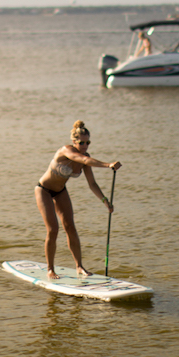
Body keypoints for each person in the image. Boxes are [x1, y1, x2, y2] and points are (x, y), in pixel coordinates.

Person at [35, 120, 121, 279]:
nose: (85, 146)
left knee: (70, 227)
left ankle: (79, 266)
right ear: (74, 142)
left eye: (88, 142)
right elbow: (85, 160)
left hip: (60, 191)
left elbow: (92, 184)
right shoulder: (66, 151)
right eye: (82, 143)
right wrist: (108, 164)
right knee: (53, 229)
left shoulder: (85, 157)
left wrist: (105, 201)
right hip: (44, 190)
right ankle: (50, 269)